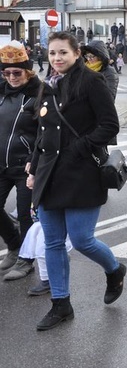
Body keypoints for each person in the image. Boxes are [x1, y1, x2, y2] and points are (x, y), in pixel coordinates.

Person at [27, 31, 125, 331]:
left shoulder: (92, 83)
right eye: (52, 53)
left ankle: (114, 269)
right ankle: (61, 304)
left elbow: (110, 125)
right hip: (49, 174)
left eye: (63, 53)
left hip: (82, 173)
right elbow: (43, 131)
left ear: (77, 53)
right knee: (53, 242)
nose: (57, 58)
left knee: (82, 240)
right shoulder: (48, 87)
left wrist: (78, 149)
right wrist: (33, 165)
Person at [0, 42, 42, 282]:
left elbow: (45, 132)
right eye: (7, 72)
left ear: (28, 71)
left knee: (26, 216)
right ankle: (15, 245)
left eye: (17, 72)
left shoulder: (38, 94)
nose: (12, 77)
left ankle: (26, 260)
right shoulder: (1, 92)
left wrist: (33, 160)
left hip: (25, 165)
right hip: (0, 164)